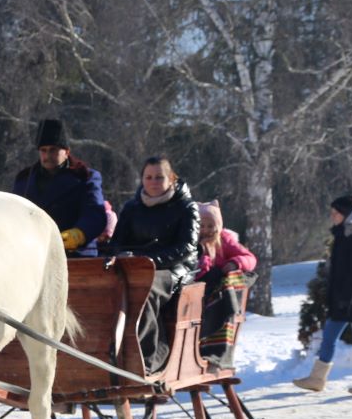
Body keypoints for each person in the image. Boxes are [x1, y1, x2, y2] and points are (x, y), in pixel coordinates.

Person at [105, 156, 200, 372]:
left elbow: (187, 247)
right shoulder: (131, 208)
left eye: (159, 177)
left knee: (144, 289)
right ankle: (104, 354)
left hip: (175, 269)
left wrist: (149, 262)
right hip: (135, 266)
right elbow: (116, 243)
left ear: (172, 179)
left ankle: (148, 359)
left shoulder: (186, 207)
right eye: (148, 177)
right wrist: (121, 255)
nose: (153, 182)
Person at [293, 194, 352, 397]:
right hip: (342, 297)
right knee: (329, 337)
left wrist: (346, 298)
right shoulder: (344, 233)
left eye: (336, 213)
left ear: (347, 214)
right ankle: (317, 379)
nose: (332, 216)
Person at [10, 118, 108, 257]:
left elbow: (95, 214)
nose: (47, 155)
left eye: (53, 150)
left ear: (67, 152)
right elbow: (14, 215)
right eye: (43, 150)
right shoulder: (24, 181)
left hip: (76, 255)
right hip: (35, 255)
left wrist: (78, 234)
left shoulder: (85, 177)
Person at [194, 200, 257, 369]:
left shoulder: (224, 241)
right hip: (196, 287)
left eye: (210, 226)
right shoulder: (191, 242)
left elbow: (249, 258)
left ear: (218, 227)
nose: (206, 230)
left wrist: (236, 263)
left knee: (216, 276)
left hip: (213, 288)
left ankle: (214, 349)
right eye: (202, 226)